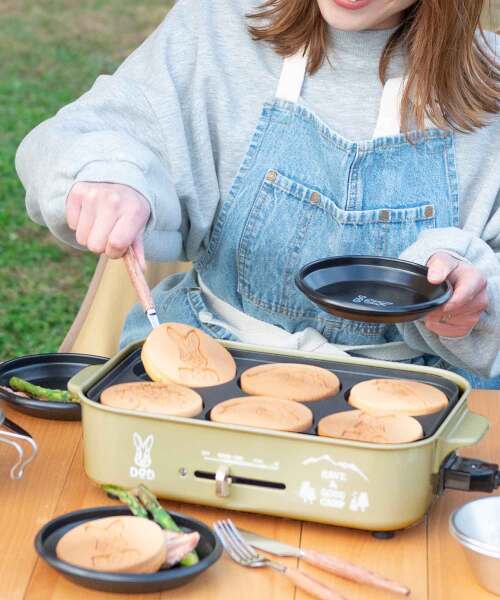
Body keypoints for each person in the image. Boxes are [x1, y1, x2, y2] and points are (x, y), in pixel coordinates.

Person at [16, 0, 500, 387]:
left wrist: (475, 289)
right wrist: (109, 174)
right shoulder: (218, 26)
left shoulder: (491, 84)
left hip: (422, 393)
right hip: (202, 365)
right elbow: (68, 137)